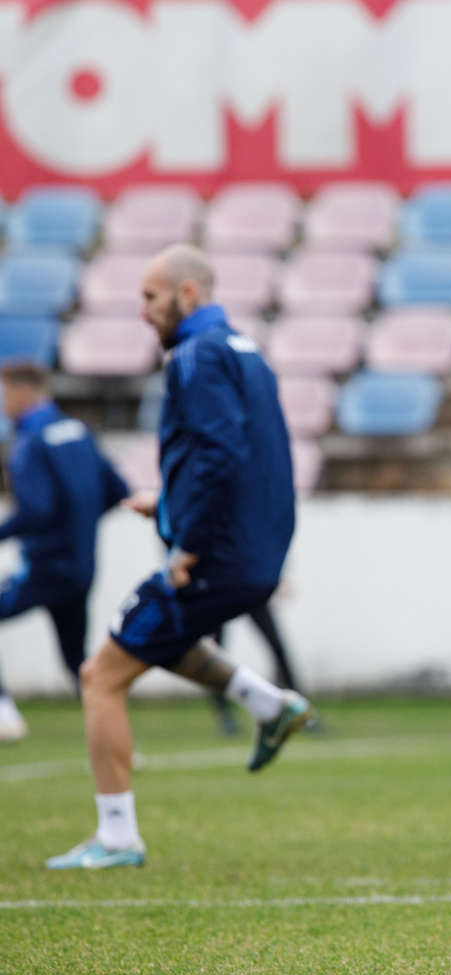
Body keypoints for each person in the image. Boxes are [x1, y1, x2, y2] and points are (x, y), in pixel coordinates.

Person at [46, 244, 314, 871]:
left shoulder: (197, 355)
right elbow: (247, 458)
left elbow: (220, 455)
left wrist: (187, 542)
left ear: (187, 293)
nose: (143, 311)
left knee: (100, 678)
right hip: (252, 554)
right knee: (163, 637)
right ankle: (268, 703)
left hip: (215, 555)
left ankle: (116, 837)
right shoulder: (246, 352)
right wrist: (166, 504)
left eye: (149, 297)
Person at [0, 361, 129, 741]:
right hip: (82, 566)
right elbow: (118, 491)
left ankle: (4, 713)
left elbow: (36, 509)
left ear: (22, 393)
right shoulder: (79, 432)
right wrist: (79, 527)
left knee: (79, 661)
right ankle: (118, 740)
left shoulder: (31, 442)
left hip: (45, 567)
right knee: (79, 662)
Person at [209, 604, 304, 736]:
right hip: (221, 591)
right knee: (214, 656)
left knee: (276, 644)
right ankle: (224, 713)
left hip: (247, 589)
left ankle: (299, 708)